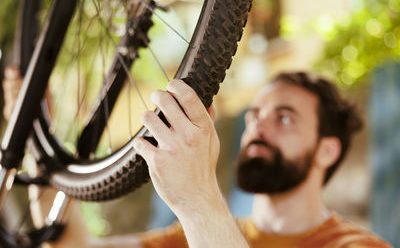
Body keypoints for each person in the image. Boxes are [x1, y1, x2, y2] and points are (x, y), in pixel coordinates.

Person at [3, 68, 392, 247]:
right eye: (254, 115)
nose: (258, 127)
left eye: (284, 117)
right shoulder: (184, 239)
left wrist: (197, 201)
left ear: (328, 149)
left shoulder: (356, 246)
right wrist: (40, 138)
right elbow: (69, 246)